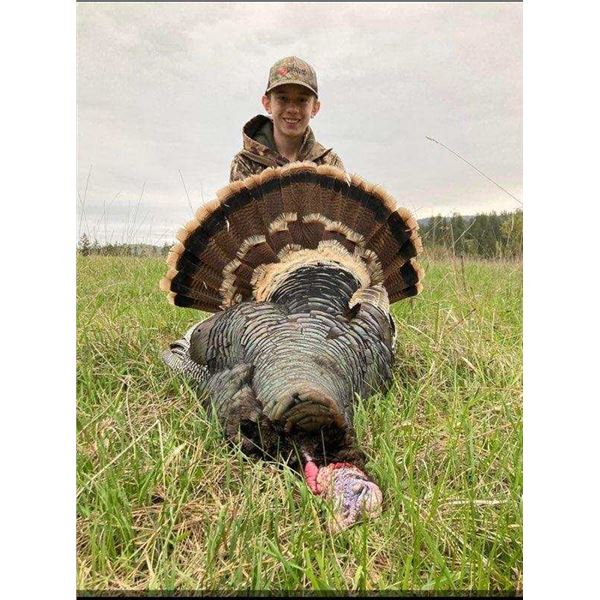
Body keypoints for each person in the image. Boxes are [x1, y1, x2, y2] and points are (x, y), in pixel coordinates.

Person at [230, 56, 345, 182]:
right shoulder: (246, 162)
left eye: (302, 100)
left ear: (315, 108)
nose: (292, 109)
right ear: (267, 104)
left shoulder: (330, 164)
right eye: (283, 98)